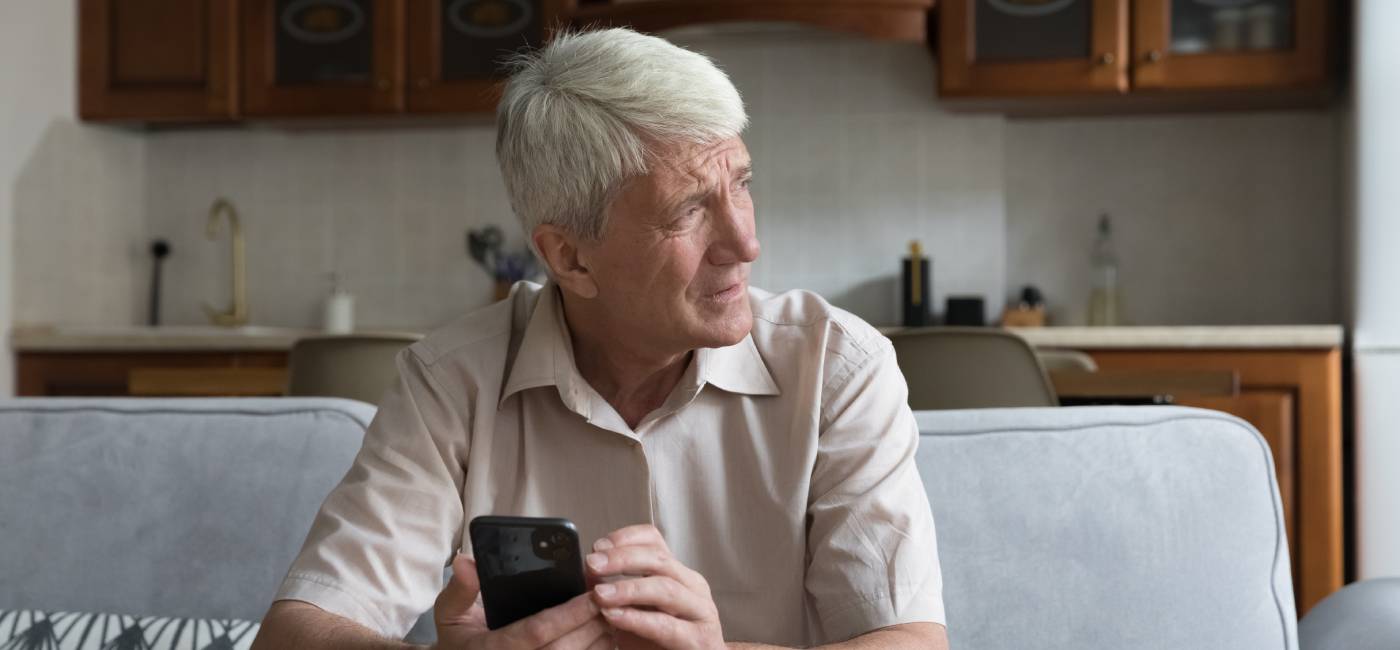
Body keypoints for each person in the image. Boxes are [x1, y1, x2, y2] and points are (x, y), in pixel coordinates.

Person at [251, 27, 946, 650]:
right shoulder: (451, 380)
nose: (746, 241)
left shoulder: (836, 366)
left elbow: (910, 641)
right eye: (688, 210)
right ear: (569, 258)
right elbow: (294, 634)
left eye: (741, 183)